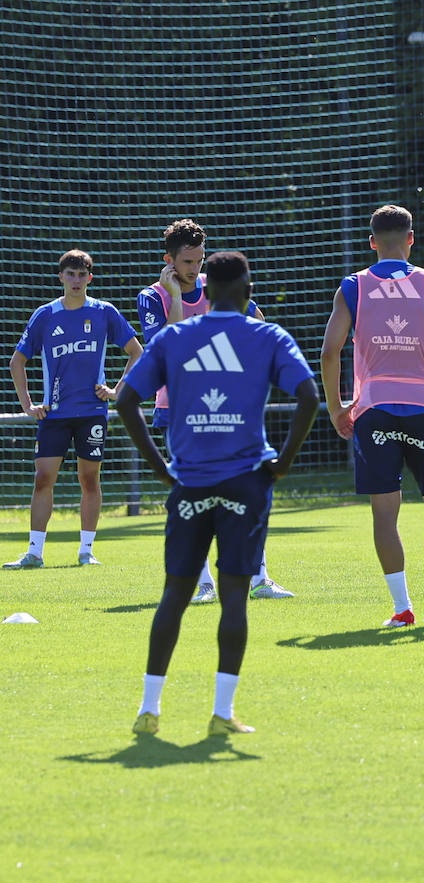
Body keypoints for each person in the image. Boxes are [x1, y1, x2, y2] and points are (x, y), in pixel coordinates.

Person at [117, 251, 318, 736]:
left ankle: (149, 710)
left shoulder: (174, 337)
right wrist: (283, 464)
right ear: (247, 292)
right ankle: (222, 714)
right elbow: (309, 396)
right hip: (247, 480)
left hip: (189, 482)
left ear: (205, 293)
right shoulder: (267, 336)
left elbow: (126, 399)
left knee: (175, 596)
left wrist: (163, 471)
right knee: (234, 598)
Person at [320, 204, 424, 627]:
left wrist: (338, 408)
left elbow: (329, 351)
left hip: (372, 411)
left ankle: (401, 609)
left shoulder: (353, 286)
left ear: (372, 242)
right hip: (423, 409)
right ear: (411, 239)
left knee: (384, 513)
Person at [136, 219, 294, 602]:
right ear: (169, 260)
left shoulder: (217, 286)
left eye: (199, 260)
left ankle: (259, 578)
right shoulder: (153, 296)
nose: (194, 269)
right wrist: (175, 296)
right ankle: (204, 583)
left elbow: (257, 324)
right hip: (177, 409)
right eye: (187, 262)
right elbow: (164, 350)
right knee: (197, 495)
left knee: (246, 489)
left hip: (230, 407)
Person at [6, 250, 142, 569]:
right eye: (71, 273)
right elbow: (17, 361)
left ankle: (86, 551)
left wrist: (115, 391)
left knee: (89, 480)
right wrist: (28, 404)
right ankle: (34, 553)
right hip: (54, 414)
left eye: (82, 274)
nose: (76, 279)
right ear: (61, 277)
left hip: (92, 412)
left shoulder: (104, 312)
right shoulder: (45, 315)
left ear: (89, 278)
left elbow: (137, 351)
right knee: (43, 478)